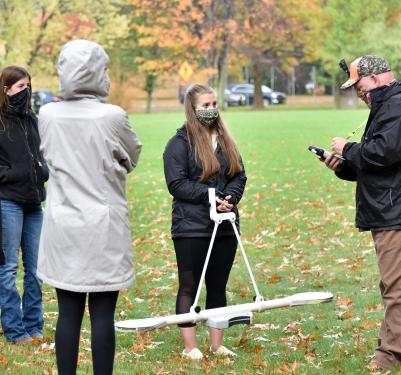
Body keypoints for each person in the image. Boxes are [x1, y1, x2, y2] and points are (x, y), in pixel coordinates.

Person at [324, 55, 401, 370]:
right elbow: (379, 165)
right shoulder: (390, 106)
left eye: (359, 86)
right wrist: (344, 166)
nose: (357, 93)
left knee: (400, 288)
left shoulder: (398, 106)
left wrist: (346, 149)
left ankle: (390, 356)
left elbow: (385, 153)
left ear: (376, 79)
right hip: (396, 209)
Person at [36, 40, 142, 375]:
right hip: (102, 227)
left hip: (62, 224)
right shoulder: (111, 117)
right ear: (98, 71)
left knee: (67, 313)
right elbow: (132, 155)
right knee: (102, 315)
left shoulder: (48, 114)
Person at [163, 84, 247, 360]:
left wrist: (230, 198)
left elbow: (239, 175)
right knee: (189, 285)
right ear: (192, 109)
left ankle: (216, 343)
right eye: (205, 106)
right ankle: (190, 347)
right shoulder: (179, 144)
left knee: (218, 285)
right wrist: (210, 196)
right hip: (192, 227)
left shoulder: (225, 140)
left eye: (214, 104)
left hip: (225, 225)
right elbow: (177, 184)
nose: (211, 109)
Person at [0, 66, 48, 344]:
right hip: (7, 202)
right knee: (7, 268)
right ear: (6, 90)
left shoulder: (32, 119)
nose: (25, 91)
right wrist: (15, 174)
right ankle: (14, 330)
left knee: (37, 269)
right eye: (19, 87)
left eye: (28, 86)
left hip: (34, 202)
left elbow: (42, 154)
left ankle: (34, 326)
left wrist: (42, 171)